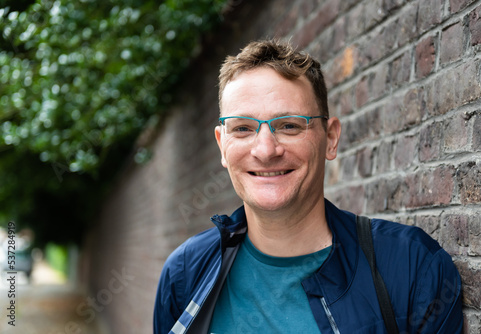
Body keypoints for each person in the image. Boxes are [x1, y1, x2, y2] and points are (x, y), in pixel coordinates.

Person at [153, 39, 463, 334]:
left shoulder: (411, 266)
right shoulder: (185, 274)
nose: (265, 149)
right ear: (223, 145)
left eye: (289, 125)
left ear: (330, 138)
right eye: (243, 128)